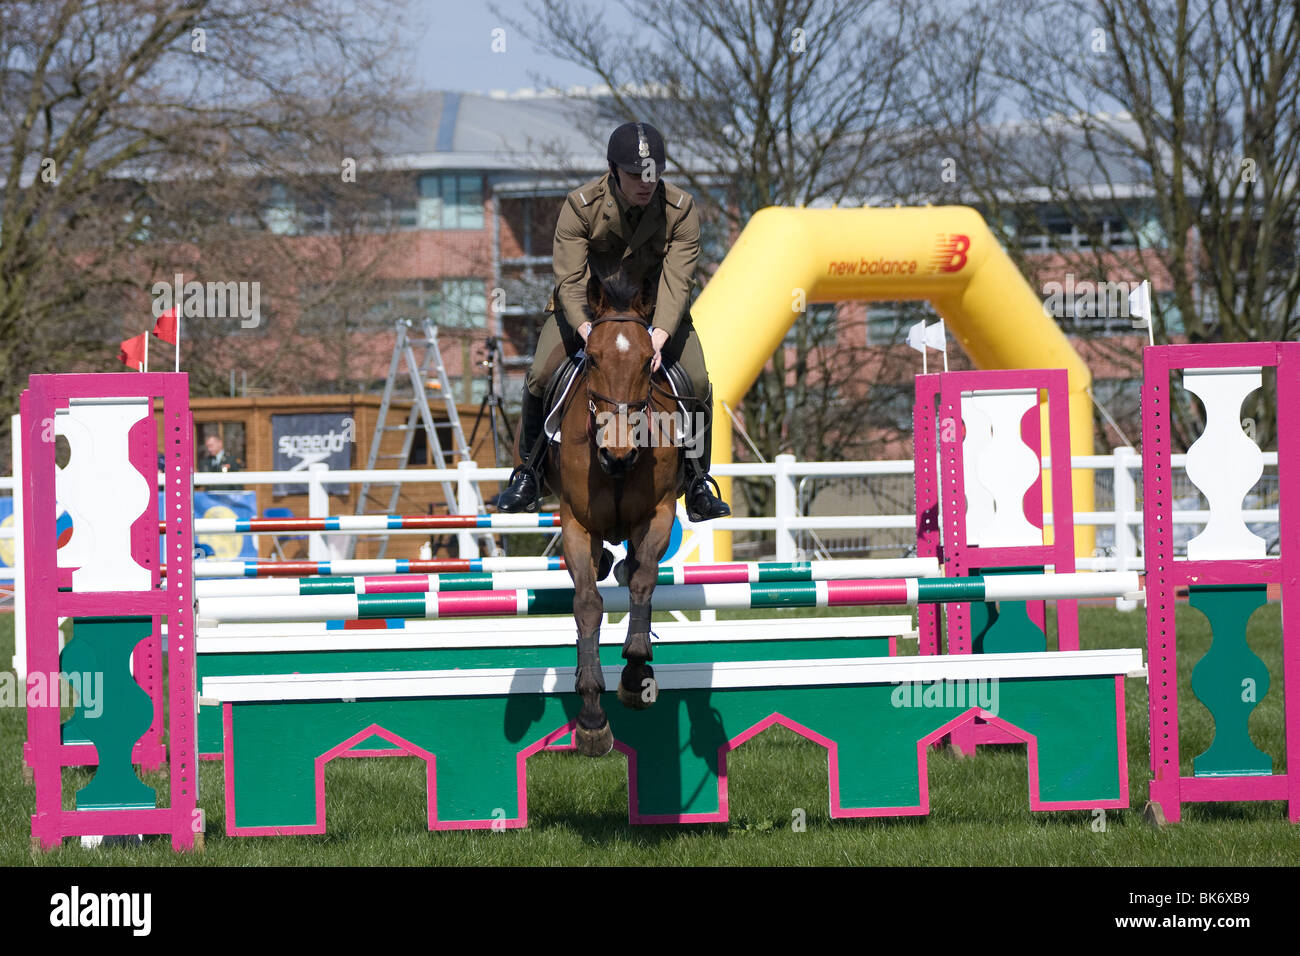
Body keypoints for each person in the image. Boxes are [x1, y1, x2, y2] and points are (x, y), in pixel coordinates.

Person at [497, 121, 730, 521]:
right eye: (636, 174)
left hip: (658, 314)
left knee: (696, 380)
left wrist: (658, 337)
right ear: (612, 170)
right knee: (538, 374)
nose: (647, 182)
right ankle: (529, 473)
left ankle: (695, 480)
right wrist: (589, 332)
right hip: (586, 314)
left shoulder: (681, 210)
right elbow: (569, 281)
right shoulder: (580, 206)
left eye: (654, 172)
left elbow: (677, 281)